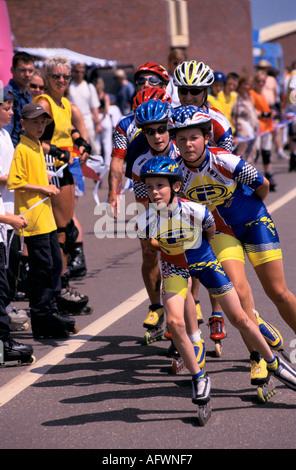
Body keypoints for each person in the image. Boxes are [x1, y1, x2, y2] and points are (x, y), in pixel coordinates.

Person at [136, 155, 296, 406]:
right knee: (175, 323)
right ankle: (199, 377)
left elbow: (211, 231)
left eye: (160, 186)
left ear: (176, 187)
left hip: (206, 262)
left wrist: (197, 251)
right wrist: (173, 251)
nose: (154, 192)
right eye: (150, 187)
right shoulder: (144, 221)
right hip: (175, 269)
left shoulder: (196, 210)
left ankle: (274, 364)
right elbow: (150, 245)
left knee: (240, 317)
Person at [169, 106, 296, 369]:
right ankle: (258, 358)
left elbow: (263, 185)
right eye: (181, 139)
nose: (187, 144)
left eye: (193, 137)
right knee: (237, 292)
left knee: (278, 292)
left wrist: (254, 210)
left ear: (206, 137)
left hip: (254, 223)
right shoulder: (176, 173)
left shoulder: (224, 160)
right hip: (223, 233)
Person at [7, 102, 78, 339]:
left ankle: (50, 311)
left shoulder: (37, 145)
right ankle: (41, 317)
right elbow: (14, 182)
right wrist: (43, 186)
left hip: (45, 218)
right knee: (41, 270)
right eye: (34, 121)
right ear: (23, 123)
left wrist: (44, 175)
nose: (39, 126)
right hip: (33, 219)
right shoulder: (23, 148)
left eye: (42, 122)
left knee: (54, 265)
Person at [108, 63, 170, 329]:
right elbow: (117, 162)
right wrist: (113, 194)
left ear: (164, 86)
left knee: (183, 248)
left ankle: (191, 303)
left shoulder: (174, 116)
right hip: (143, 182)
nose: (145, 83)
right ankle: (156, 305)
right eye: (140, 80)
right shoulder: (126, 124)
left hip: (179, 183)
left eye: (152, 80)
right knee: (150, 249)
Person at [33, 55, 91, 315]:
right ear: (47, 77)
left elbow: (68, 129)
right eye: (55, 76)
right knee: (58, 232)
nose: (61, 80)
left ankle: (61, 287)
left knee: (66, 230)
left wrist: (81, 143)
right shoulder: (44, 102)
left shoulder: (64, 103)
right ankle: (57, 291)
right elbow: (33, 135)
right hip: (49, 168)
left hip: (64, 166)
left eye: (65, 76)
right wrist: (56, 150)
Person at [0, 86, 30, 331]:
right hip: (3, 214)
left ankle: (6, 308)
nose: (11, 112)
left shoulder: (6, 135)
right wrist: (16, 177)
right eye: (6, 108)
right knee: (4, 268)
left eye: (11, 107)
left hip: (10, 206)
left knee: (12, 265)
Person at [250, 71, 277, 191]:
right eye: (258, 81)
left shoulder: (262, 93)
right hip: (258, 128)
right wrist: (267, 113)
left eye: (263, 81)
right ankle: (252, 179)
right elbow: (252, 111)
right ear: (255, 82)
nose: (261, 83)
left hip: (266, 126)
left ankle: (269, 175)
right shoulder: (252, 93)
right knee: (254, 155)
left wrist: (271, 113)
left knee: (266, 152)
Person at [68, 62, 101, 156]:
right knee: (76, 148)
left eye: (82, 72)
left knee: (93, 148)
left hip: (87, 121)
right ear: (73, 72)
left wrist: (98, 124)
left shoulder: (89, 87)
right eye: (77, 71)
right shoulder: (69, 87)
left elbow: (94, 107)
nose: (79, 74)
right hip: (72, 122)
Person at [3, 51, 34, 147]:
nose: (27, 74)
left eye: (30, 71)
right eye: (23, 70)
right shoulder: (5, 93)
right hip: (12, 152)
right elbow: (4, 132)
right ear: (13, 70)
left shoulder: (27, 95)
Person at [231, 73, 259, 162]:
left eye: (249, 84)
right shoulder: (235, 97)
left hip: (252, 133)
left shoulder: (248, 97)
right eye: (245, 84)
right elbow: (232, 116)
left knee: (252, 158)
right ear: (240, 84)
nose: (247, 87)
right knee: (241, 158)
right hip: (242, 134)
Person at [95, 77, 113, 166]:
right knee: (107, 143)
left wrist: (97, 121)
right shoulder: (105, 95)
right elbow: (107, 109)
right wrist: (102, 119)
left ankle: (97, 163)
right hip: (104, 118)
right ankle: (107, 163)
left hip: (96, 118)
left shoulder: (94, 96)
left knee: (97, 142)